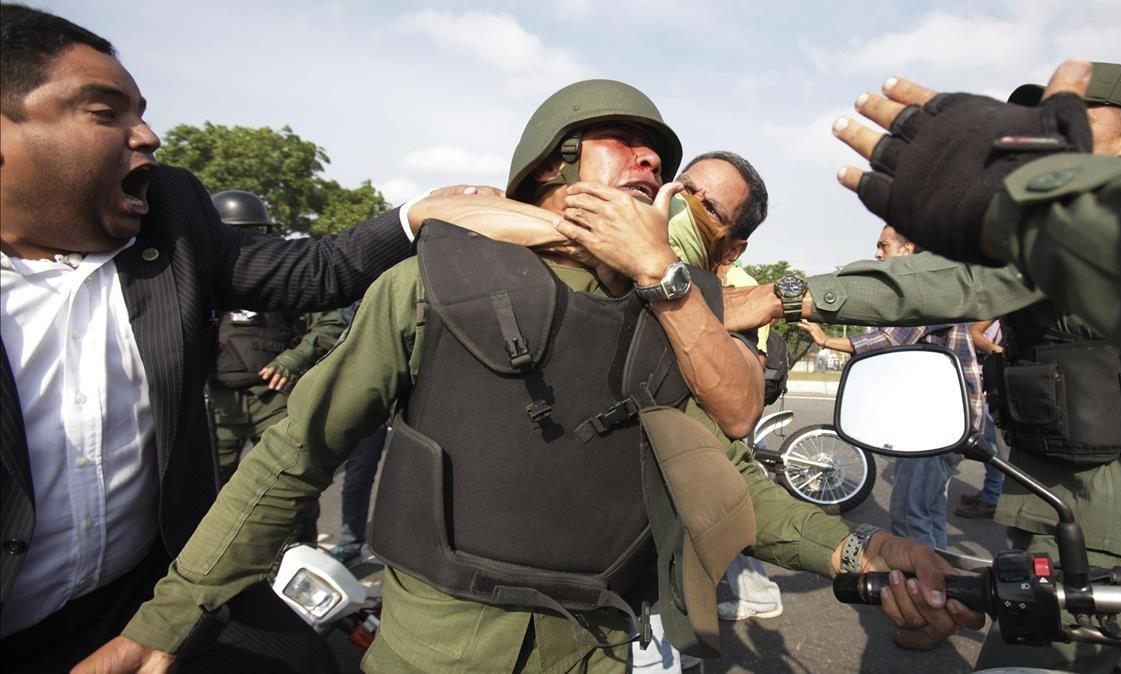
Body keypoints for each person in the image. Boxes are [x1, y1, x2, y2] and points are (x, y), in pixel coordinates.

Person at [83, 78, 978, 674]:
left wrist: (862, 551)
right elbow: (292, 461)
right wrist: (166, 621)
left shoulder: (675, 311)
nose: (650, 163)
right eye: (623, 144)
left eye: (658, 157)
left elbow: (726, 482)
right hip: (432, 650)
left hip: (594, 646)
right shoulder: (428, 282)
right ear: (553, 164)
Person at [0, 6, 413, 672]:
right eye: (106, 113)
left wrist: (421, 217)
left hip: (146, 591)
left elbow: (316, 269)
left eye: (141, 111)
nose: (148, 136)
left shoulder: (171, 221)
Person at [822, 60, 1121, 672]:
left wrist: (785, 296)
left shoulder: (1112, 228)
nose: (1046, 131)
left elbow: (966, 280)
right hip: (1060, 500)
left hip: (1111, 518)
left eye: (1074, 118)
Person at [798, 225, 983, 652]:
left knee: (911, 521)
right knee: (929, 519)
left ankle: (930, 616)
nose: (878, 254)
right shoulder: (939, 284)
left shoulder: (926, 290)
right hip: (940, 423)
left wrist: (827, 337)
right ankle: (941, 607)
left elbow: (890, 337)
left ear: (909, 249)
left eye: (884, 246)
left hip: (933, 426)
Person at [207, 190, 347, 484]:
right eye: (236, 234)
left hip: (273, 399)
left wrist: (294, 358)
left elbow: (330, 323)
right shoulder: (197, 277)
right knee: (207, 491)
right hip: (218, 401)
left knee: (287, 481)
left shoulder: (282, 276)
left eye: (252, 233)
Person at [956, 319, 1006, 519]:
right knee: (991, 441)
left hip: (990, 377)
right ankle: (991, 492)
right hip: (988, 375)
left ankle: (991, 497)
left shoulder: (999, 302)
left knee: (991, 443)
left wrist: (995, 351)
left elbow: (973, 332)